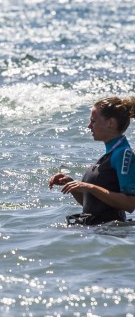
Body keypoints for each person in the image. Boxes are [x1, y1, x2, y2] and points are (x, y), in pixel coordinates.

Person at [49, 96, 135, 225]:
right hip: (96, 231)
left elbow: (129, 204)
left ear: (110, 123)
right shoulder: (110, 154)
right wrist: (72, 185)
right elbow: (92, 203)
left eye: (93, 121)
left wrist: (89, 187)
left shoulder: (123, 154)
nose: (89, 126)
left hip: (110, 235)